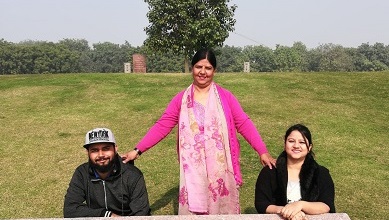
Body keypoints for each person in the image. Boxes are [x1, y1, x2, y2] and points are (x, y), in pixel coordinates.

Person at [121, 48, 276, 215]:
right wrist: (137, 150)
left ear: (214, 71)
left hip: (220, 168)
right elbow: (162, 125)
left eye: (208, 68)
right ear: (193, 68)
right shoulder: (181, 99)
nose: (203, 72)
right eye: (198, 67)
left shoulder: (225, 97)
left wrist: (262, 151)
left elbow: (244, 123)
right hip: (192, 169)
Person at [64, 128, 151, 217]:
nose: (101, 155)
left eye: (106, 149)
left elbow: (142, 214)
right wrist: (107, 215)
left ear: (115, 148)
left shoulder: (133, 174)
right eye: (94, 150)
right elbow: (70, 209)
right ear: (87, 152)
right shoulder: (81, 173)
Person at [255, 124, 335, 220]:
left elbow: (326, 205)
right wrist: (286, 211)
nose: (296, 146)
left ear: (309, 147)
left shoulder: (321, 173)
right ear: (285, 144)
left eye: (302, 142)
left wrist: (300, 205)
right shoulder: (270, 171)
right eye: (291, 141)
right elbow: (261, 204)